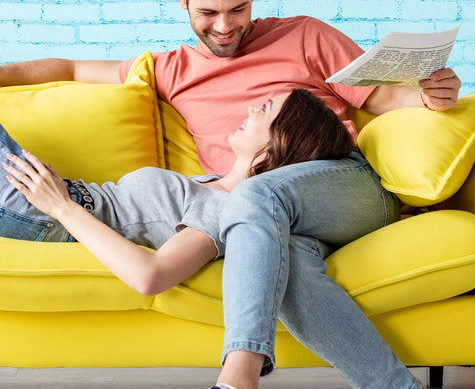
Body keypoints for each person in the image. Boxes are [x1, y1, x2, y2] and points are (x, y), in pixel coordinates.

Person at [0, 0, 475, 389]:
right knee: (283, 255)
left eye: (237, 9)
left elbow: (388, 98)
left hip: (337, 182)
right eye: (209, 13)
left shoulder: (305, 36)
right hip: (255, 214)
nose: (226, 26)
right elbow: (68, 68)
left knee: (253, 198)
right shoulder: (172, 69)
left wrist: (432, 97)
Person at [1, 88, 353, 296]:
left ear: (282, 141)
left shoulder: (228, 208)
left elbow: (150, 276)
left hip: (45, 214)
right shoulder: (214, 184)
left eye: (266, 109)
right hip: (50, 199)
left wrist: (62, 207)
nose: (252, 109)